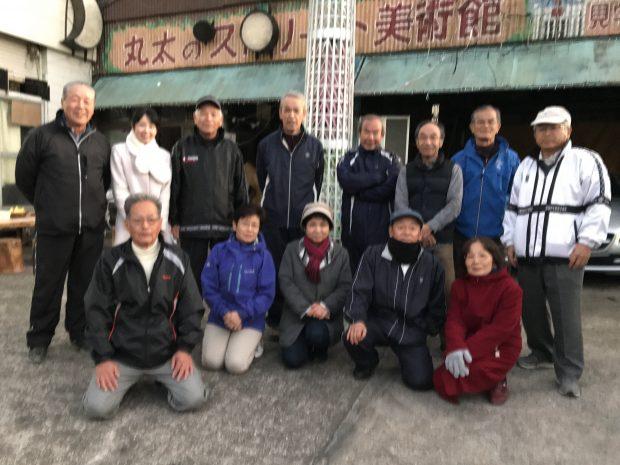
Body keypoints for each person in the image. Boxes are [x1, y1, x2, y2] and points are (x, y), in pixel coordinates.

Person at [502, 106, 611, 398]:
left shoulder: (585, 160)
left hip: (566, 256)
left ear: (568, 130)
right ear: (535, 133)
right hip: (527, 256)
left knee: (566, 316)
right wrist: (510, 241)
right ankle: (542, 352)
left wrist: (587, 242)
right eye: (541, 128)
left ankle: (569, 373)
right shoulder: (525, 166)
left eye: (554, 127)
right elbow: (512, 208)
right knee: (531, 311)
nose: (547, 132)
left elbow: (599, 203)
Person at [82, 194, 207, 419]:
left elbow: (191, 308)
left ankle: (162, 380)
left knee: (193, 399)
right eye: (137, 220)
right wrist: (103, 359)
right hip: (122, 356)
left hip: (166, 354)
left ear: (160, 223)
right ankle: (126, 382)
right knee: (96, 409)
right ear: (127, 224)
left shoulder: (178, 259)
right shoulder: (110, 261)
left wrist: (184, 349)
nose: (145, 226)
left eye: (151, 219)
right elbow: (95, 311)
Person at [15, 81, 111, 364]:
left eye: (87, 102)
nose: (81, 106)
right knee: (48, 285)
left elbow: (105, 180)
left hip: (91, 229)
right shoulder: (42, 136)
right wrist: (47, 205)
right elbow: (24, 177)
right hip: (54, 229)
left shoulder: (100, 142)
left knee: (85, 285)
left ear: (93, 107)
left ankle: (79, 333)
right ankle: (39, 339)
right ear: (63, 102)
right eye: (75, 99)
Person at [344, 209, 446, 390]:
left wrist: (426, 328)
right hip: (379, 322)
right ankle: (368, 362)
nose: (406, 232)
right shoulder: (372, 255)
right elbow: (359, 290)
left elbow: (437, 303)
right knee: (352, 336)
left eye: (412, 228)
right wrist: (357, 319)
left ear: (420, 234)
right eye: (400, 227)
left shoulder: (432, 264)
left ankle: (409, 358)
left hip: (411, 328)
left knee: (421, 382)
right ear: (391, 231)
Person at [256, 91, 324, 327]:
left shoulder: (315, 146)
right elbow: (262, 179)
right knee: (274, 271)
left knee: (300, 272)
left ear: (304, 114)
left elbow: (317, 183)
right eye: (287, 110)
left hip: (302, 223)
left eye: (296, 110)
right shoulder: (266, 145)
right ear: (280, 113)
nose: (291, 115)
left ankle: (298, 320)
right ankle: (275, 321)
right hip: (273, 221)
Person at [170, 95, 248, 291]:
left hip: (224, 225)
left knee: (225, 276)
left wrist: (242, 220)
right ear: (195, 119)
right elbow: (175, 186)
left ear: (220, 120)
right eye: (203, 114)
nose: (208, 118)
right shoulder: (182, 147)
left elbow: (240, 187)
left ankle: (222, 310)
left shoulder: (231, 150)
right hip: (191, 226)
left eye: (213, 114)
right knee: (191, 277)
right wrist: (174, 220)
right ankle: (192, 310)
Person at [433, 237, 522, 405]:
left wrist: (466, 350)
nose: (476, 261)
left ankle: (498, 378)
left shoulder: (510, 288)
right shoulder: (459, 285)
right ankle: (490, 375)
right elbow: (455, 320)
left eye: (482, 255)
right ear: (464, 261)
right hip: (469, 341)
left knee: (470, 371)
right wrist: (456, 347)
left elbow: (501, 329)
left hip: (501, 345)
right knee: (443, 377)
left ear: (494, 259)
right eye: (470, 256)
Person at [201, 204, 276, 374]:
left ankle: (255, 341)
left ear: (259, 229)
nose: (249, 229)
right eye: (245, 223)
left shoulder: (264, 256)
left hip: (250, 318)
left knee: (235, 364)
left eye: (254, 225)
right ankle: (229, 339)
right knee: (211, 362)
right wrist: (225, 313)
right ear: (235, 225)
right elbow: (208, 286)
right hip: (221, 316)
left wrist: (241, 314)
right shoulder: (219, 251)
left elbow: (266, 294)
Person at [394, 120, 462, 303]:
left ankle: (444, 323)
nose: (428, 142)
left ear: (441, 141)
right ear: (416, 142)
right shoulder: (406, 171)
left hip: (442, 241)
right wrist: (418, 231)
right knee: (409, 290)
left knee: (447, 291)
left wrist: (429, 227)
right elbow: (400, 204)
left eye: (433, 137)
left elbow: (454, 205)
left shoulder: (454, 170)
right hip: (411, 241)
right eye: (423, 137)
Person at [279, 202, 352, 368]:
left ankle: (319, 347)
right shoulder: (291, 249)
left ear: (330, 228)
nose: (318, 230)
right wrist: (306, 308)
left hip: (326, 316)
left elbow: (345, 286)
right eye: (312, 225)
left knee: (317, 334)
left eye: (323, 225)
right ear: (304, 227)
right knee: (293, 360)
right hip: (296, 314)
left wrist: (325, 306)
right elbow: (285, 280)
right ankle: (302, 343)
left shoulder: (341, 254)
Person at [452, 105, 520, 278]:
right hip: (463, 235)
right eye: (480, 122)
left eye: (491, 122)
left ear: (498, 126)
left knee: (496, 285)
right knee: (464, 283)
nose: (485, 126)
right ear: (472, 127)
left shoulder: (511, 159)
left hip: (497, 237)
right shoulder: (458, 159)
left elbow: (517, 198)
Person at [338, 114, 401, 273]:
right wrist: (378, 177)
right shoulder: (347, 158)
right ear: (359, 133)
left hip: (383, 234)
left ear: (382, 135)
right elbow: (346, 182)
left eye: (375, 132)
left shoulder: (392, 159)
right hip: (352, 233)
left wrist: (358, 191)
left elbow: (388, 190)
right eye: (366, 132)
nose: (371, 137)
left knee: (380, 277)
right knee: (353, 277)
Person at [111, 107, 172, 244]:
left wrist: (158, 223)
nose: (146, 130)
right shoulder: (119, 152)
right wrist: (135, 220)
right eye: (142, 125)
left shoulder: (164, 155)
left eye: (151, 126)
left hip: (155, 224)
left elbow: (165, 194)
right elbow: (119, 190)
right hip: (129, 223)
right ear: (133, 126)